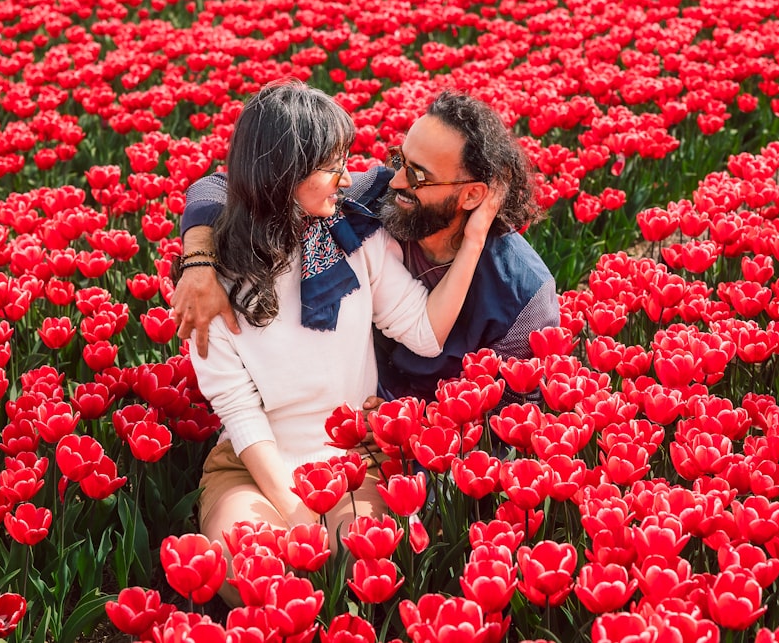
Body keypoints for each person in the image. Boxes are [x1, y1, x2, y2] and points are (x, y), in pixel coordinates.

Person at [180, 81, 499, 605]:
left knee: (363, 559)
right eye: (332, 165)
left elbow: (425, 329)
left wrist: (475, 237)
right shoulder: (213, 284)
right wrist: (295, 509)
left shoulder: (355, 240)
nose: (347, 177)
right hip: (251, 466)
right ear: (284, 174)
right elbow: (238, 410)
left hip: (354, 455)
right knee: (248, 571)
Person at [174, 90, 560, 405]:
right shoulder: (367, 200)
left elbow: (513, 417)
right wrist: (198, 262)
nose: (396, 181)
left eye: (418, 175)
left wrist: (411, 423)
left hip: (439, 459)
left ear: (473, 195)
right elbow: (226, 186)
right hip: (338, 418)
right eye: (400, 160)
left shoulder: (523, 293)